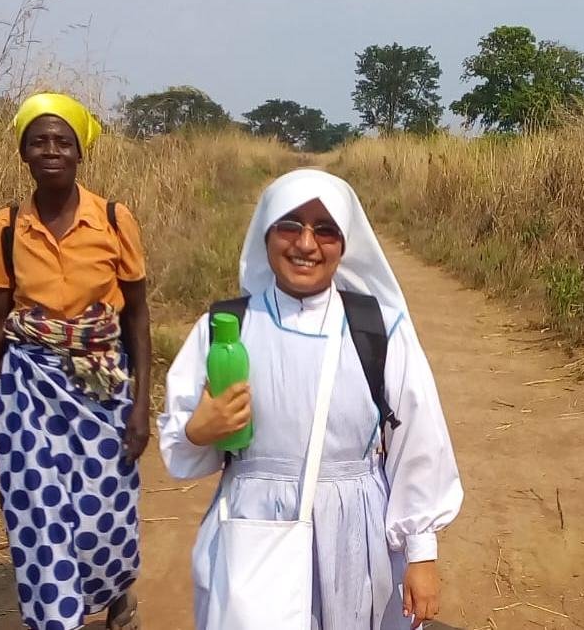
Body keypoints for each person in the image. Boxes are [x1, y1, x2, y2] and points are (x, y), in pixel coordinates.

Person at [158, 169, 463, 629]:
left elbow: (419, 442)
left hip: (355, 534)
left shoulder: (378, 330)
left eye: (325, 230)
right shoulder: (226, 329)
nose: (306, 244)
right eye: (289, 225)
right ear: (265, 235)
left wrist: (421, 552)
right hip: (253, 528)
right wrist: (199, 430)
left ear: (345, 244)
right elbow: (181, 445)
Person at [0, 93, 151, 630]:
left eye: (63, 141)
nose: (51, 150)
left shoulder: (113, 218)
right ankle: (57, 618)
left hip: (102, 382)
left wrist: (141, 407)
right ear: (24, 152)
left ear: (81, 151)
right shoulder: (7, 225)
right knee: (37, 513)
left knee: (102, 515)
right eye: (39, 141)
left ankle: (114, 593)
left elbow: (136, 316)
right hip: (26, 384)